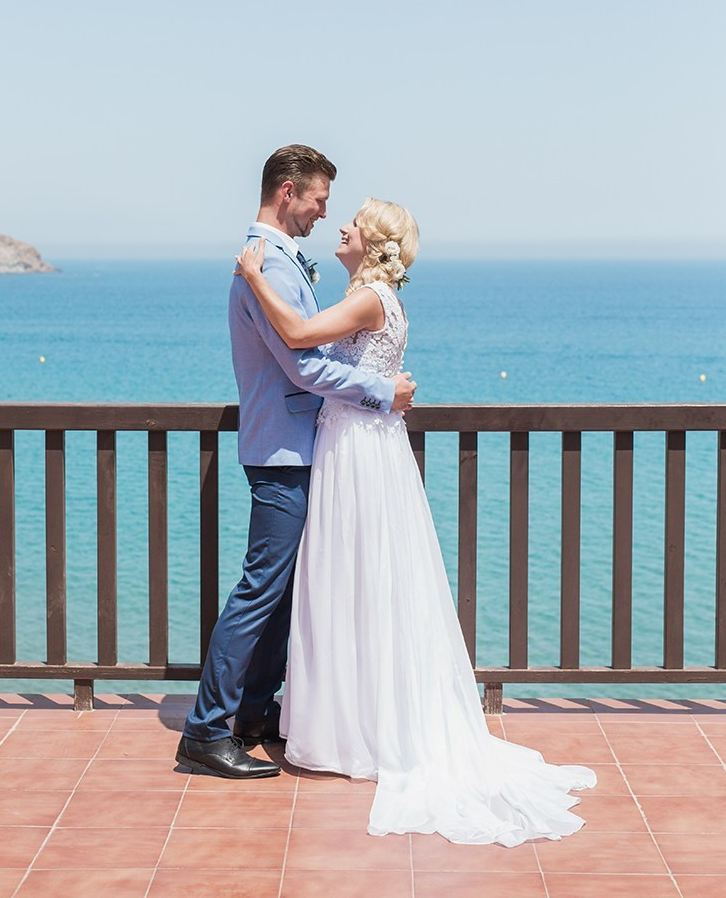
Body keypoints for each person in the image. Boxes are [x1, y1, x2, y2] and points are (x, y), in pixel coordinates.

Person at [234, 196, 598, 844]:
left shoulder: (371, 297)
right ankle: (363, 720)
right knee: (364, 584)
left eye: (352, 221)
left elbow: (295, 337)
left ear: (370, 242)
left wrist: (255, 275)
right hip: (370, 446)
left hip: (356, 449)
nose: (340, 226)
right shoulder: (378, 297)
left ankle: (353, 731)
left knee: (352, 582)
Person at [176, 146, 417, 780]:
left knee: (281, 594)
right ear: (288, 192)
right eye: (318, 200)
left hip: (299, 447)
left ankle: (255, 712)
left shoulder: (276, 261)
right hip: (283, 450)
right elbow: (302, 364)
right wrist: (380, 392)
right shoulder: (270, 264)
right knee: (261, 590)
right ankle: (205, 731)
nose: (322, 214)